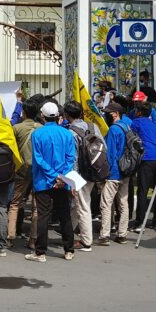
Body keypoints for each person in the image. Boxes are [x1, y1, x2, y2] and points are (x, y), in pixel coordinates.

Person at [27, 100, 76, 262]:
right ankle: (69, 250)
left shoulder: (37, 134)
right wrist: (60, 177)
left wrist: (53, 175)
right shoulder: (67, 133)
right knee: (65, 215)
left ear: (42, 115)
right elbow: (70, 159)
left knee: (43, 216)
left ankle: (40, 253)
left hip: (43, 181)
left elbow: (39, 159)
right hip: (63, 180)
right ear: (58, 116)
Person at [64, 100, 98, 252]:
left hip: (80, 174)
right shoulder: (93, 126)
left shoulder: (71, 132)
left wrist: (73, 182)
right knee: (76, 205)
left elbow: (74, 159)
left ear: (66, 115)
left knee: (83, 205)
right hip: (95, 170)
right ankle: (67, 233)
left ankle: (86, 241)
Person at [8, 95, 42, 247]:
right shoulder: (42, 129)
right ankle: (33, 239)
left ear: (24, 112)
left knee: (15, 203)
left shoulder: (16, 128)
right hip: (38, 170)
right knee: (36, 205)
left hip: (21, 169)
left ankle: (10, 236)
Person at [97, 101, 130, 245]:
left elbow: (110, 154)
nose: (107, 115)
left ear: (116, 114)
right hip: (126, 170)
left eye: (109, 113)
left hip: (114, 172)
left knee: (106, 203)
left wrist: (105, 173)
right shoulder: (127, 127)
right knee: (123, 203)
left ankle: (105, 235)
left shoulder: (113, 130)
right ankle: (122, 234)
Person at [131, 93, 156, 231]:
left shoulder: (136, 123)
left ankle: (139, 223)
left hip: (146, 158)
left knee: (143, 191)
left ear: (138, 112)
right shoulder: (154, 125)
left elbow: (131, 139)